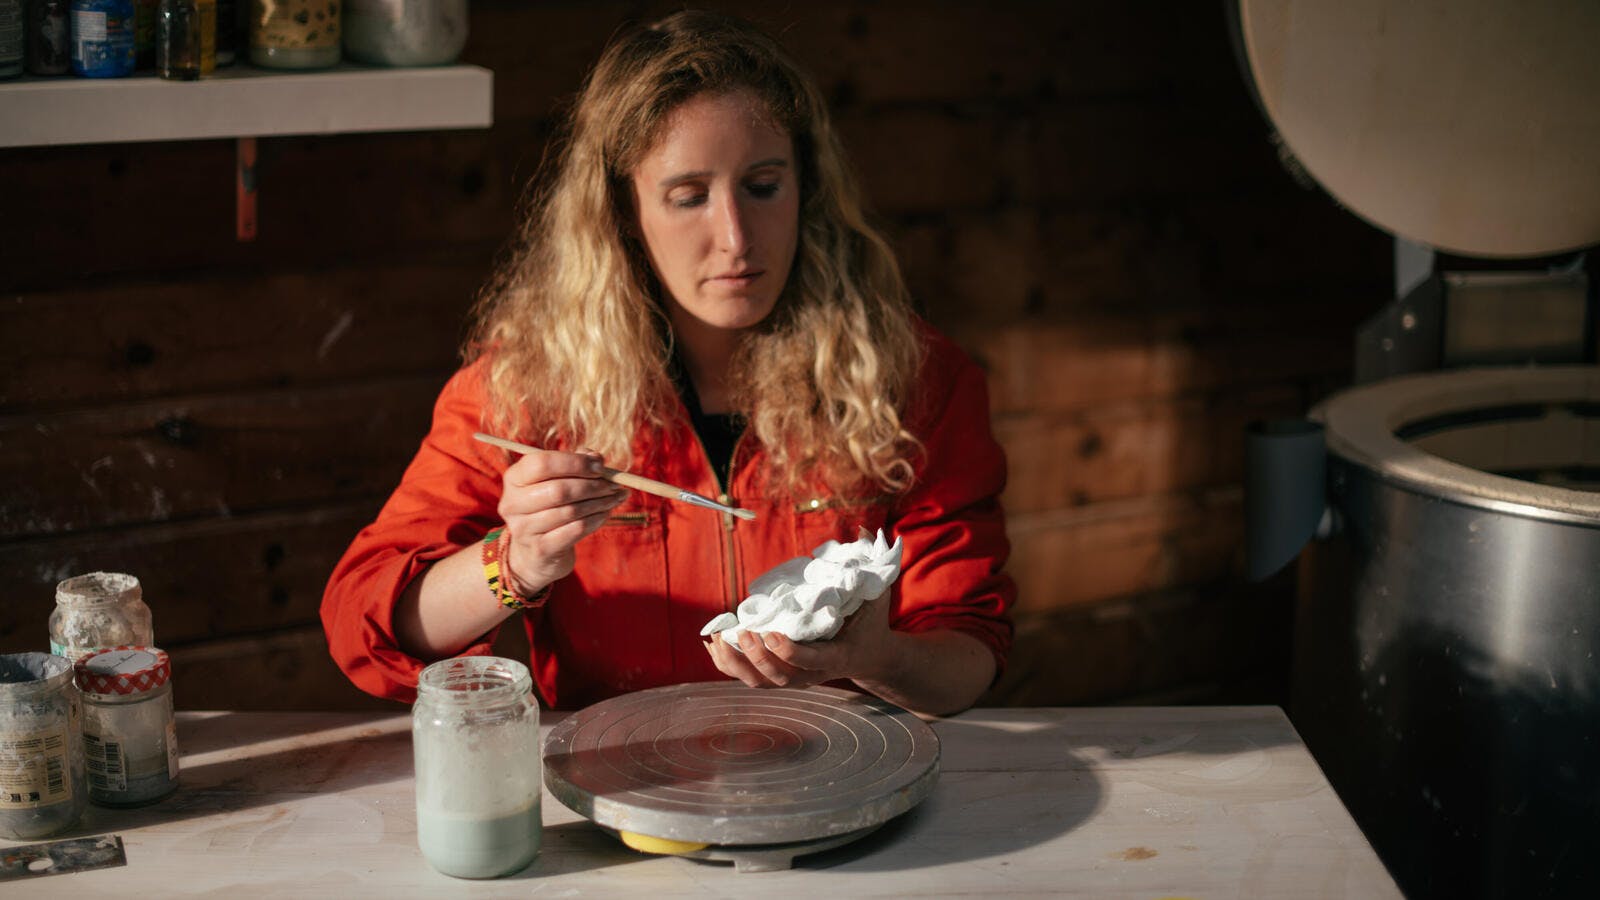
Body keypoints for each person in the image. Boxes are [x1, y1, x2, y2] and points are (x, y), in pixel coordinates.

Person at [320, 10, 1014, 717]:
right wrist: (516, 563)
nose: (736, 237)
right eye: (689, 197)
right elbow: (363, 626)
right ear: (623, 211)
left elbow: (970, 653)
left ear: (806, 187)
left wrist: (878, 657)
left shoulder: (911, 379)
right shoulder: (525, 387)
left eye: (763, 186)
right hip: (617, 774)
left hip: (843, 770)